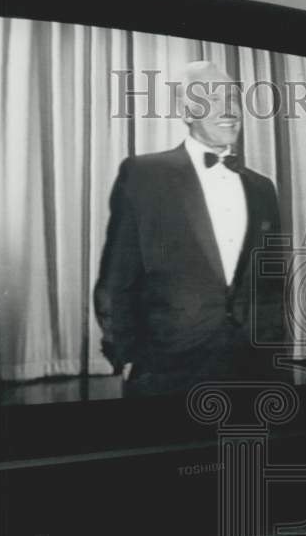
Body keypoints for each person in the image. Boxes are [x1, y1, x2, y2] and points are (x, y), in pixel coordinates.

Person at [94, 61, 285, 395]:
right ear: (186, 112)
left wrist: (275, 345)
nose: (229, 110)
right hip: (168, 365)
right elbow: (116, 278)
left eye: (233, 99)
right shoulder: (144, 174)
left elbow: (272, 279)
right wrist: (125, 354)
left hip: (254, 365)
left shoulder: (262, 187)